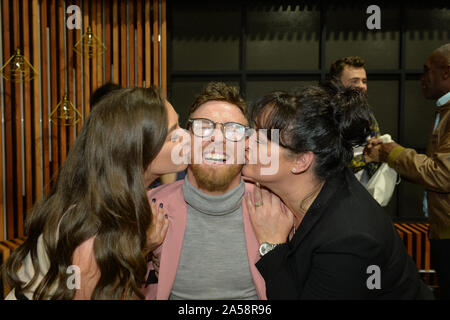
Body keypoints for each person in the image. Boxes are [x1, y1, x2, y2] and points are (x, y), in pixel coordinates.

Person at [242, 85, 433, 299]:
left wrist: (272, 245)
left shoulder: (349, 238)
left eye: (261, 139)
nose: (246, 143)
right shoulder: (319, 184)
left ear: (301, 160)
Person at [2, 87, 188, 299]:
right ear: (137, 150)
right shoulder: (89, 236)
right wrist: (142, 247)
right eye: (173, 134)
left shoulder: (123, 199)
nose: (186, 137)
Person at [142, 82, 266, 300]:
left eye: (233, 130)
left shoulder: (273, 208)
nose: (217, 138)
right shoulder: (150, 207)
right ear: (186, 137)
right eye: (203, 127)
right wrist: (141, 250)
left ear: (247, 145)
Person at [365, 43, 450, 299]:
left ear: (446, 72)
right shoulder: (443, 111)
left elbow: (442, 174)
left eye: (427, 71)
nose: (422, 79)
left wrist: (391, 152)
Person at [329, 56, 381, 183]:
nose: (362, 86)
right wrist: (366, 158)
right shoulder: (326, 115)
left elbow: (377, 153)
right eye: (354, 81)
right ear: (336, 83)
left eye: (364, 81)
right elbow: (327, 165)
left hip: (363, 192)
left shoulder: (367, 114)